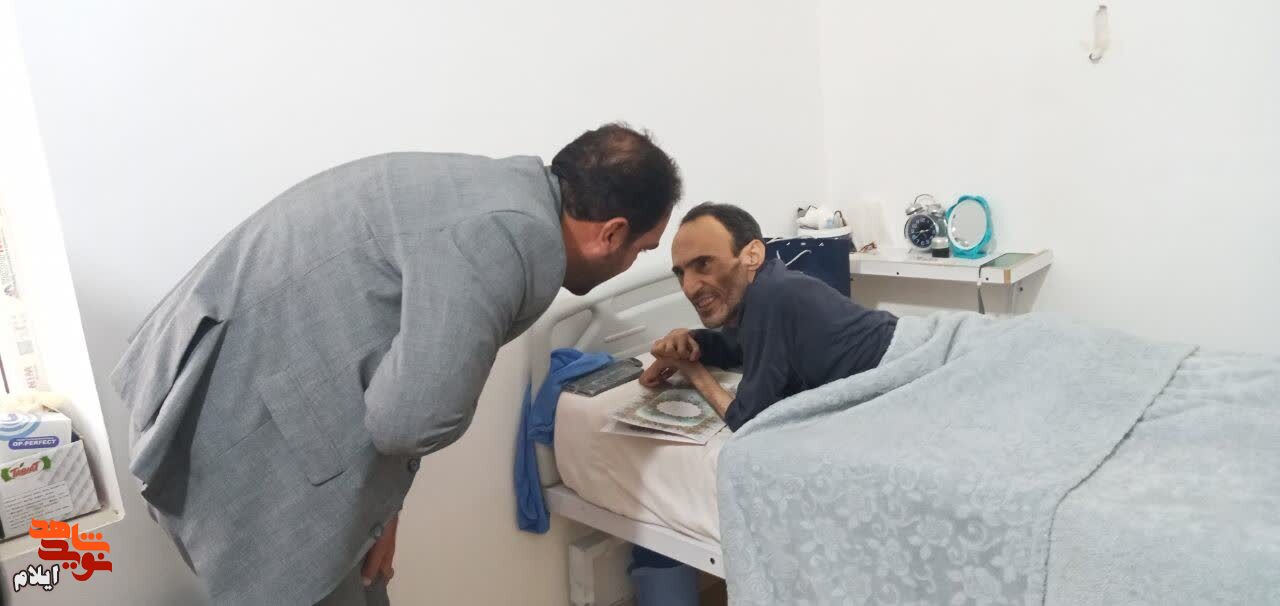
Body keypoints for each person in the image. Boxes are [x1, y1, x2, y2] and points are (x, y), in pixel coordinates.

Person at [109, 123, 681, 605]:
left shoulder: (496, 189)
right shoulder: (509, 238)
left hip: (219, 373)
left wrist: (383, 511)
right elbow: (412, 419)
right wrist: (378, 509)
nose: (633, 261)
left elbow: (405, 367)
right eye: (642, 249)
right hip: (236, 426)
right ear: (611, 233)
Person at [639, 202, 897, 430]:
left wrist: (691, 370)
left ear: (752, 255)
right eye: (680, 273)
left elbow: (750, 420)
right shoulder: (762, 290)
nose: (689, 287)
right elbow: (736, 347)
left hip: (902, 359)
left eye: (704, 264)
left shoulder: (772, 294)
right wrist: (688, 340)